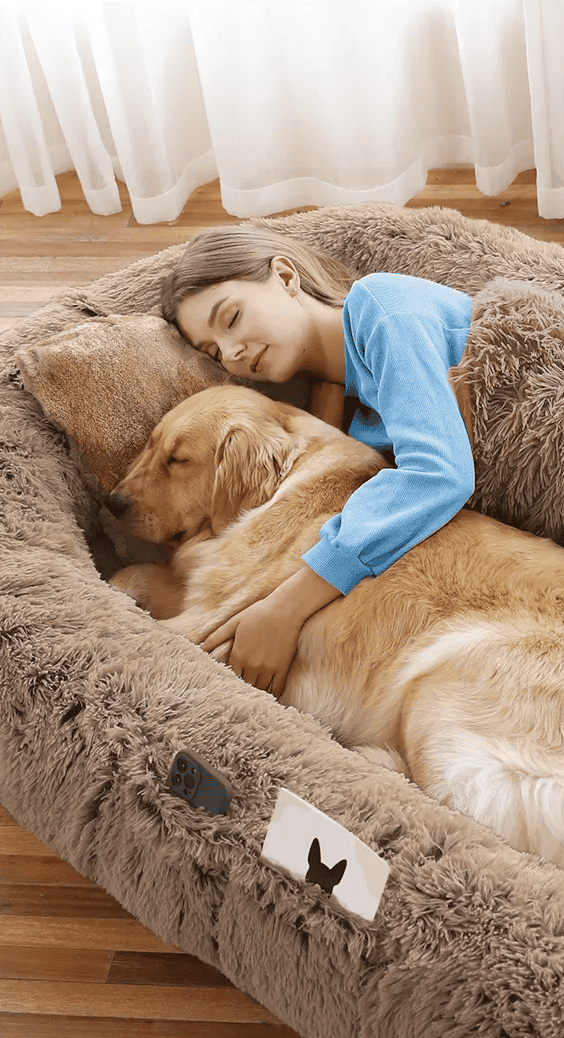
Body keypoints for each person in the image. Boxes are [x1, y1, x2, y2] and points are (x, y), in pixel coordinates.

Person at [159, 225, 474, 699]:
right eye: (213, 351)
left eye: (232, 318)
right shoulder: (341, 410)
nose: (232, 352)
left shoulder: (380, 306)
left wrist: (284, 609)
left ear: (286, 277)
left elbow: (438, 475)